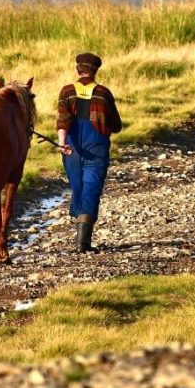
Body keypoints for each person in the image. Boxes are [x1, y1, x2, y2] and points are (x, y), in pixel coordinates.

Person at [57, 52, 122, 251]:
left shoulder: (66, 91)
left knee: (77, 187)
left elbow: (62, 120)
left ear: (78, 69)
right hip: (97, 147)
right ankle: (82, 243)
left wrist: (61, 143)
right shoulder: (104, 93)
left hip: (71, 147)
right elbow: (116, 125)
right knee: (91, 188)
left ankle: (79, 223)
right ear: (95, 71)